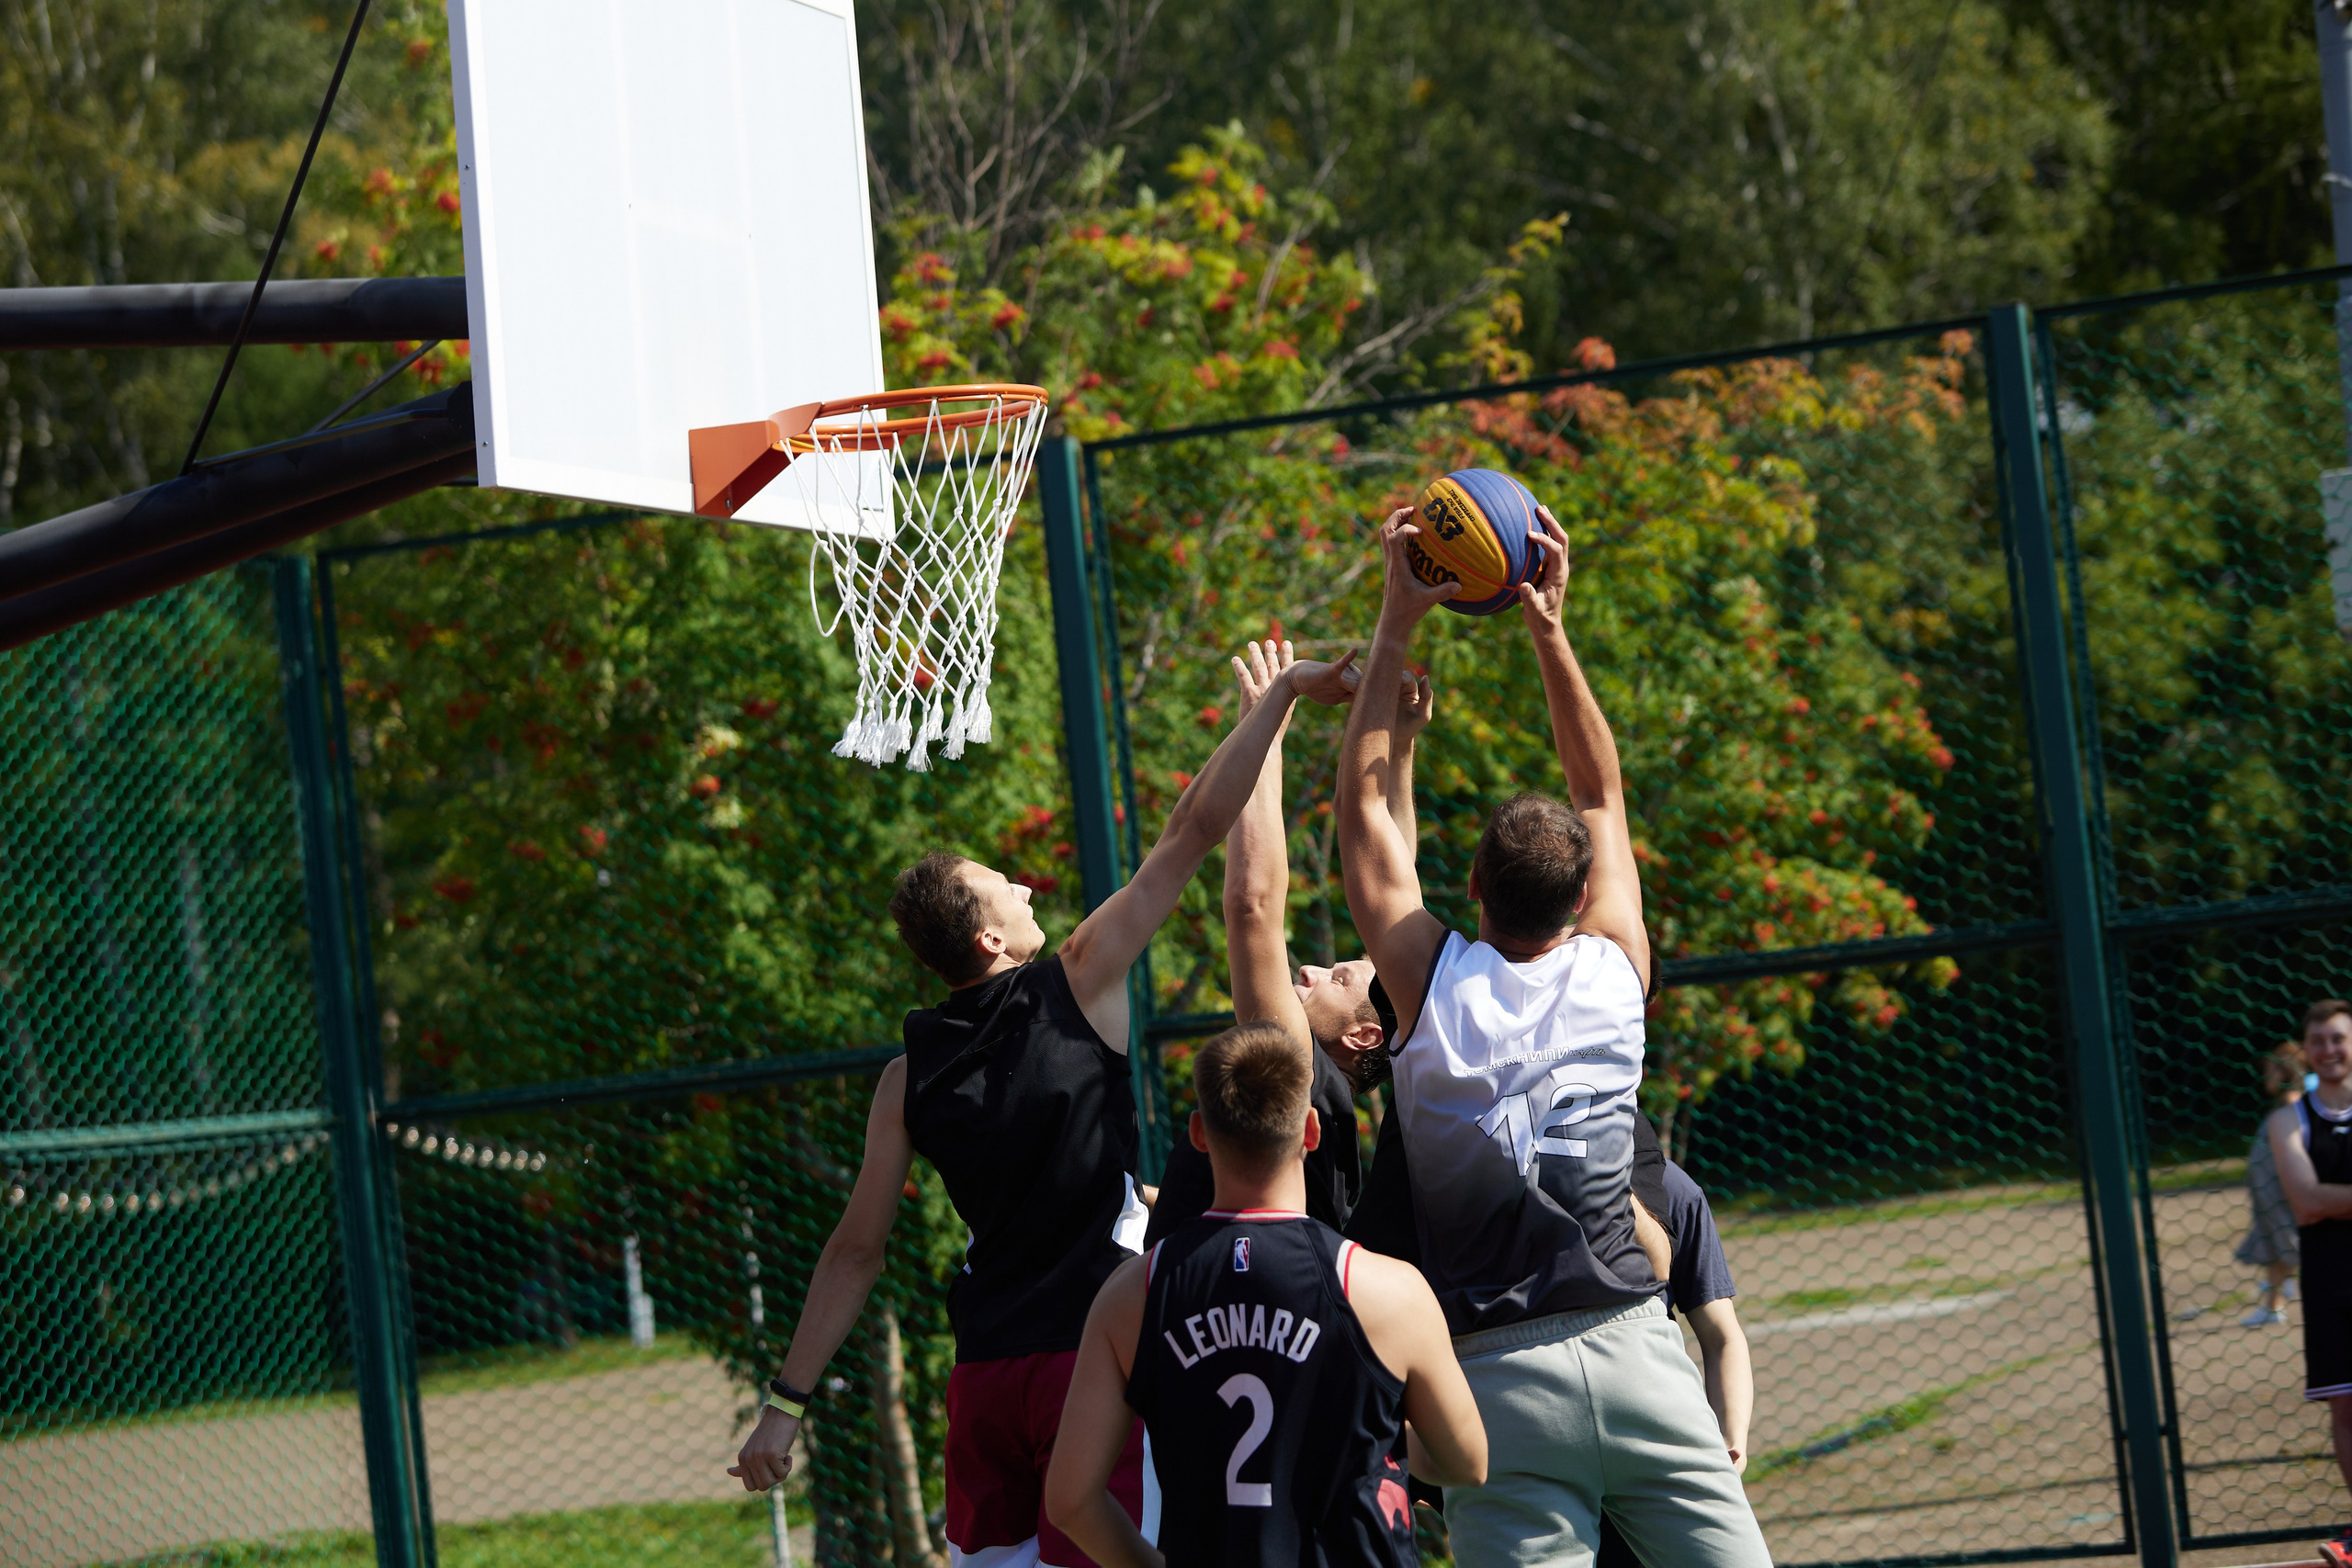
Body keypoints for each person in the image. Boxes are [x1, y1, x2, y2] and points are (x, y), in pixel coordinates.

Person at [729, 649, 1357, 1568]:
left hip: (984, 1376)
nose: (1027, 888)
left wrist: (784, 1406)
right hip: (1086, 1362)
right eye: (1005, 888)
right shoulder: (1075, 981)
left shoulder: (909, 1075)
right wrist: (1277, 706)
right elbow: (1189, 830)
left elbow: (856, 1247)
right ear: (990, 938)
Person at [1334, 502, 1771, 1568]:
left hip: (1493, 1382)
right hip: (1636, 1353)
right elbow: (1600, 792)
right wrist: (1547, 626)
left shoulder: (1427, 980)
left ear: (1472, 887)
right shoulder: (1616, 968)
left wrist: (1397, 619)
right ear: (1582, 901)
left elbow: (1363, 820)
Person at [1044, 1021, 1489, 1567]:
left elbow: (1069, 1501)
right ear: (1310, 1131)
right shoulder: (1387, 1289)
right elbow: (1468, 1461)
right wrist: (1381, 1441)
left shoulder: (1134, 1290)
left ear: (1199, 1134)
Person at [1144, 639, 1436, 1247]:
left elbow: (1252, 906)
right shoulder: (1329, 1113)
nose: (1309, 968)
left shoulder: (1300, 1072)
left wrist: (1266, 731)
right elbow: (1393, 886)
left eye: (1338, 977)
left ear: (1363, 1035)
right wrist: (1401, 746)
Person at [1594, 1157, 1756, 1568]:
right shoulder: (1491, 1178)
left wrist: (1730, 1437)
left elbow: (1722, 1336)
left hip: (1651, 1435)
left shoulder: (1670, 1188)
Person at [2267, 998, 2352, 1568]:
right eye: (2319, 1040)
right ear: (2306, 1050)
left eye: (2339, 1038)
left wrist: (2331, 1201)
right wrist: (2323, 1203)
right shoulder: (2287, 1121)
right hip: (2333, 1281)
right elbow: (2307, 1201)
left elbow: (2325, 1200)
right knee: (2346, 1407)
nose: (2330, 1049)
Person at [2240, 1039, 2306, 1327]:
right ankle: (2278, 1295)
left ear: (2284, 1071)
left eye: (2270, 1070)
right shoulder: (2285, 1103)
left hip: (2281, 1191)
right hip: (2272, 1191)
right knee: (2278, 1245)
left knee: (2284, 1245)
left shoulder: (2291, 1102)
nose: (2265, 1077)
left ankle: (2274, 1305)